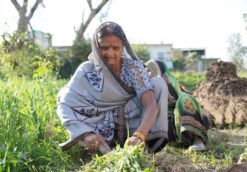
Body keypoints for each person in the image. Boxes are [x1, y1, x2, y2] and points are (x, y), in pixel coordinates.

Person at [57, 22, 169, 153]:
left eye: (116, 48)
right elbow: (65, 103)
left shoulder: (133, 68)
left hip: (131, 123)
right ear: (96, 47)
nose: (110, 53)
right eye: (104, 47)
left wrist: (139, 135)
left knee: (158, 84)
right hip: (97, 127)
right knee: (64, 99)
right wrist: (86, 134)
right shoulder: (86, 71)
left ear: (123, 47)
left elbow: (151, 105)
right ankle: (97, 142)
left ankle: (143, 146)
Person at [145, 59, 210, 151]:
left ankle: (197, 140)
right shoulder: (143, 87)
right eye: (145, 70)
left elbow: (176, 97)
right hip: (162, 131)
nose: (145, 73)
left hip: (179, 124)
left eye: (148, 70)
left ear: (158, 71)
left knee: (186, 99)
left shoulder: (170, 85)